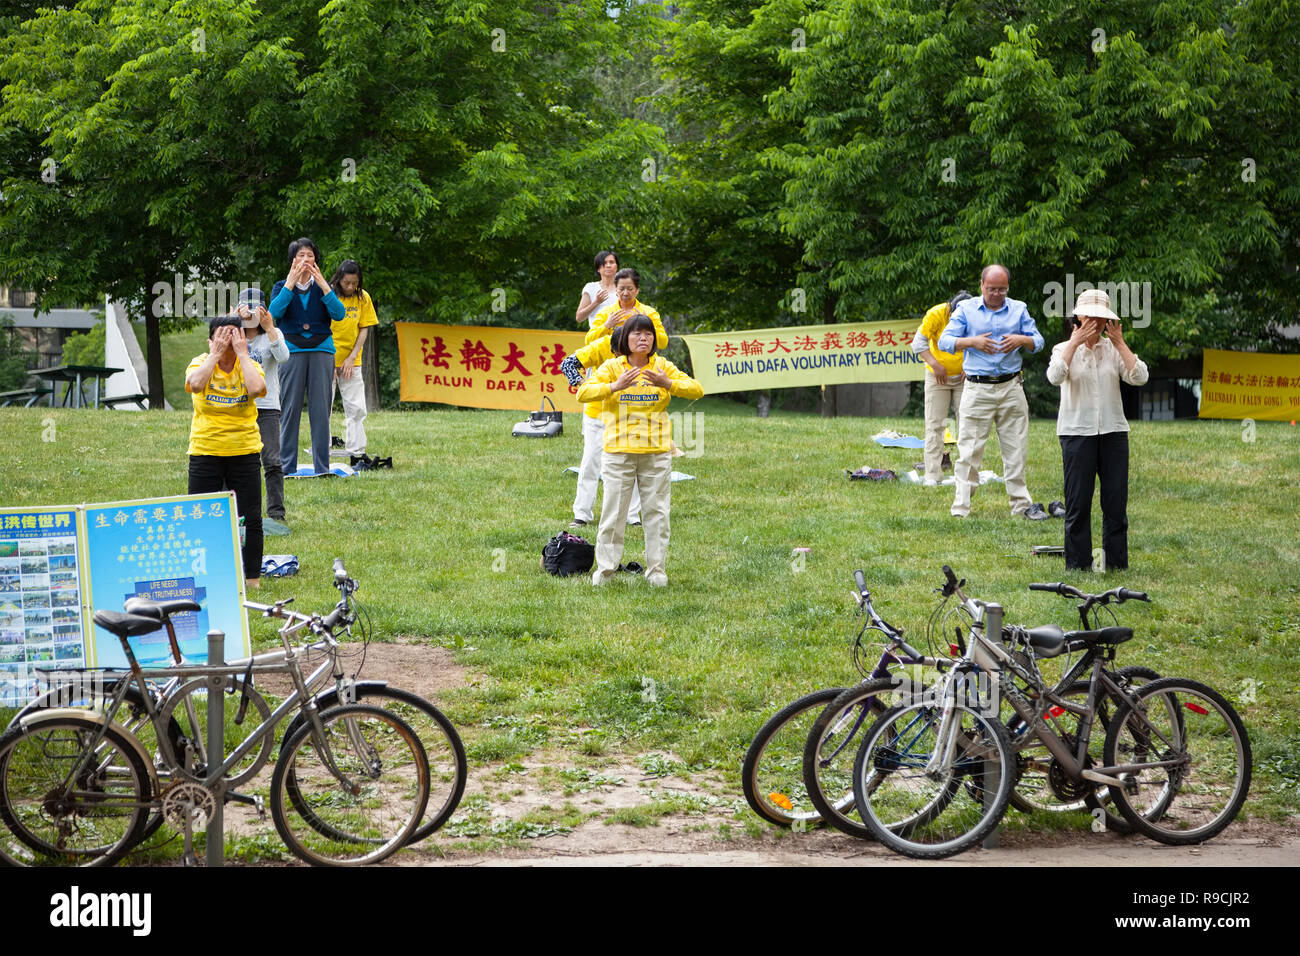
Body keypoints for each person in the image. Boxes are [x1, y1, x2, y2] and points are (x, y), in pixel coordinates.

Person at [577, 313, 702, 587]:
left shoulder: (662, 367)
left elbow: (696, 389)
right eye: (637, 333)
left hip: (656, 452)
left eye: (648, 334)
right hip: (618, 452)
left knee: (657, 513)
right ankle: (605, 571)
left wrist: (667, 384)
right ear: (625, 339)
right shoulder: (612, 367)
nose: (644, 338)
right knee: (614, 513)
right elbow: (583, 393)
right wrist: (615, 386)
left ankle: (657, 571)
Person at [1047, 288, 1148, 571]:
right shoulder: (1061, 349)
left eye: (1101, 317)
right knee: (1078, 503)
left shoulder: (1113, 350)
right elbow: (1055, 376)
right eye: (1089, 315)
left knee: (1115, 501)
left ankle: (1116, 563)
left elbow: (1140, 377)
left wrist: (1121, 344)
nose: (1095, 321)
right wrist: (1074, 342)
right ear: (1077, 317)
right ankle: (1077, 565)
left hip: (1113, 433)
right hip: (1076, 433)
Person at [938, 264, 1046, 519]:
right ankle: (961, 508)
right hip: (977, 388)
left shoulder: (1019, 309)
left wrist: (1022, 340)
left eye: (1002, 289)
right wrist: (972, 342)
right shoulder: (966, 310)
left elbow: (1038, 341)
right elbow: (945, 341)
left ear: (1008, 287)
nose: (997, 294)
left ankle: (1020, 505)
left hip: (1011, 387)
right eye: (992, 289)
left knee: (1016, 448)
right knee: (969, 451)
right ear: (981, 286)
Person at [563, 267, 665, 528]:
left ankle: (631, 517)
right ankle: (582, 514)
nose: (636, 342)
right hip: (599, 413)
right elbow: (570, 361)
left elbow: (662, 345)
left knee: (631, 465)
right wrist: (583, 384)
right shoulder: (602, 346)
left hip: (631, 414)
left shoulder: (644, 350)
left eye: (641, 336)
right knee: (590, 462)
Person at [185, 315, 267, 587]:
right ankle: (204, 574)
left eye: (233, 338)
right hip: (205, 450)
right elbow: (195, 384)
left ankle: (251, 578)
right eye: (220, 337)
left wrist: (243, 354)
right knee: (200, 514)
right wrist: (215, 354)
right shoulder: (200, 363)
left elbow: (257, 389)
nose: (226, 343)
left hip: (244, 450)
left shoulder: (250, 365)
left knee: (250, 516)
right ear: (210, 341)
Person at [270, 238, 345, 476]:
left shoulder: (324, 287)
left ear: (316, 261)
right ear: (292, 260)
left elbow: (339, 314)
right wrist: (290, 285)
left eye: (310, 256)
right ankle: (286, 466)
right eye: (300, 256)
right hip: (291, 350)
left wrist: (324, 285)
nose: (305, 260)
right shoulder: (281, 286)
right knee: (290, 408)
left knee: (320, 410)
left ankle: (322, 467)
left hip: (322, 349)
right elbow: (273, 314)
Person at [239, 289, 291, 535]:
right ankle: (237, 512)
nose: (251, 315)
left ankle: (276, 512)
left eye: (256, 309)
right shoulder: (232, 334)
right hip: (238, 406)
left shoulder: (273, 333)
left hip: (267, 406)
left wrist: (270, 328)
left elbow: (284, 357)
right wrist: (230, 322)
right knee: (236, 461)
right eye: (245, 309)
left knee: (271, 461)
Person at [911, 290, 971, 485]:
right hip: (937, 377)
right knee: (935, 425)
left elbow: (985, 345)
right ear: (950, 310)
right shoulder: (937, 313)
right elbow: (918, 343)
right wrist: (935, 365)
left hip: (964, 377)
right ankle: (932, 474)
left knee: (967, 425)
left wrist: (972, 366)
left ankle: (967, 475)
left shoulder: (977, 316)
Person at [329, 260, 378, 459]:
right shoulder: (328, 296)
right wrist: (329, 361)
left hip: (352, 360)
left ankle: (356, 448)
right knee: (323, 407)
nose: (350, 287)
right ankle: (321, 448)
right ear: (339, 280)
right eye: (347, 283)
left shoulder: (363, 297)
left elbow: (364, 328)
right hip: (327, 359)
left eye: (354, 283)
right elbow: (321, 328)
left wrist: (351, 358)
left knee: (356, 407)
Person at [575, 250, 618, 325]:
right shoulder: (591, 287)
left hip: (620, 335)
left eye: (611, 262)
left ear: (616, 266)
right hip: (598, 335)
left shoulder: (624, 288)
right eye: (604, 263)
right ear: (598, 269)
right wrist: (596, 302)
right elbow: (579, 318)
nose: (608, 265)